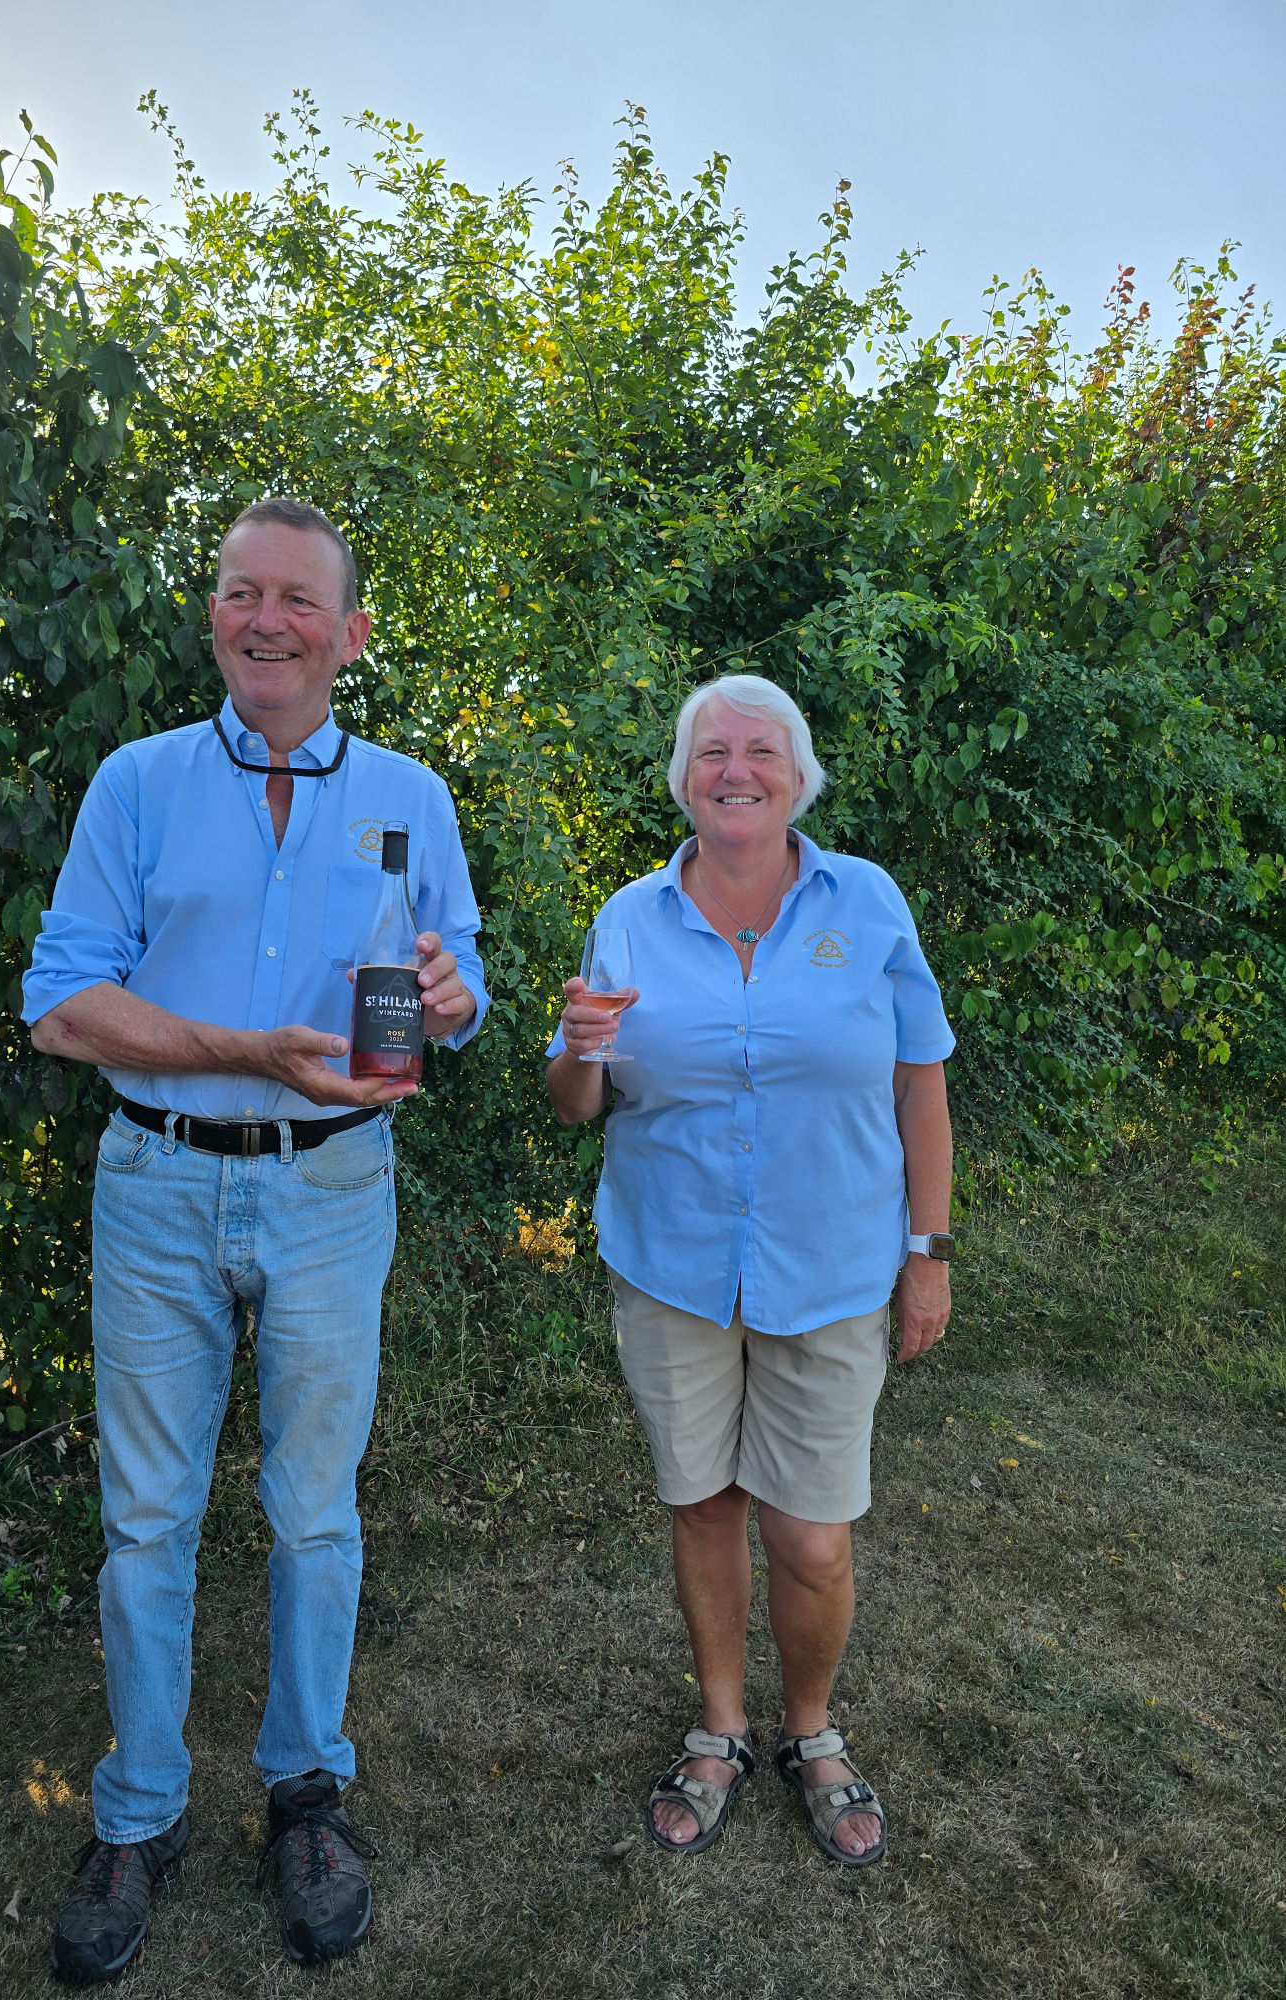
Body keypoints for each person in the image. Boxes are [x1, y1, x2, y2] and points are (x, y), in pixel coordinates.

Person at [22, 498, 487, 1982]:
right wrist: (245, 1053)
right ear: (212, 614)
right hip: (157, 1185)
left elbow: (455, 971)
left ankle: (305, 1791)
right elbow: (60, 1005)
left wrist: (452, 995)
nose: (265, 620)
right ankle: (141, 1807)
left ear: (350, 634)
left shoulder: (408, 794)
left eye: (298, 599)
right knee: (148, 1516)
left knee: (312, 1508)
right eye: (241, 593)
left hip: (335, 1188)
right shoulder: (139, 785)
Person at [546, 673, 954, 1867]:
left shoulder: (867, 904)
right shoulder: (627, 917)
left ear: (799, 772)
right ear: (683, 775)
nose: (736, 767)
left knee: (812, 1535)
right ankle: (721, 1723)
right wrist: (577, 1051)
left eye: (760, 748)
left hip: (830, 1267)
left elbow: (921, 1082)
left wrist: (925, 1252)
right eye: (711, 748)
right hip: (671, 1266)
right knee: (704, 1503)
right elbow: (577, 1104)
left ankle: (811, 1727)